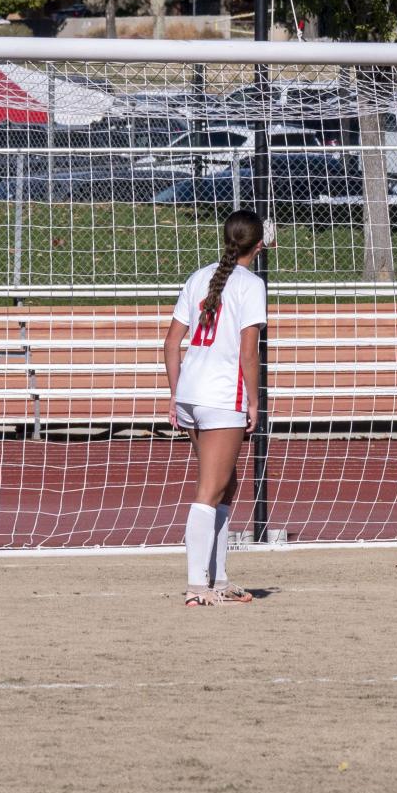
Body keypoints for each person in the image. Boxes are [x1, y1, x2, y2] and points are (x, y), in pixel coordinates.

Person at [166, 209, 268, 606]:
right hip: (223, 395)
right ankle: (196, 587)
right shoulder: (250, 284)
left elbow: (171, 343)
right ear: (258, 246)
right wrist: (254, 402)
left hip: (193, 392)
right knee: (209, 490)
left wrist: (176, 394)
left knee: (227, 484)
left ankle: (218, 579)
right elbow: (248, 352)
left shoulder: (199, 277)